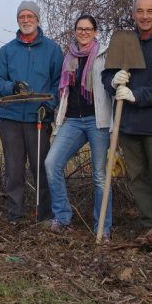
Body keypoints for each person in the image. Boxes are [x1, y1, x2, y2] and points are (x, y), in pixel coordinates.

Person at [101, 0, 152, 243]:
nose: (144, 16)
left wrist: (136, 94)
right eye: (140, 11)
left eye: (150, 12)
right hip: (127, 124)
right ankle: (150, 227)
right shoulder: (123, 41)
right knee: (137, 178)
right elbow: (107, 74)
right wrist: (112, 82)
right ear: (134, 14)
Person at [0, 1, 63, 223]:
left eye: (30, 16)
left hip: (38, 118)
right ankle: (15, 215)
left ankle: (44, 215)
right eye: (22, 16)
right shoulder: (7, 50)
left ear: (38, 19)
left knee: (41, 168)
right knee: (14, 170)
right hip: (10, 118)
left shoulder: (52, 49)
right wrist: (11, 87)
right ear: (17, 20)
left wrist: (48, 106)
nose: (26, 20)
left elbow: (59, 83)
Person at [43, 15, 113, 236]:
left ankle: (102, 227)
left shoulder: (104, 54)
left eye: (88, 29)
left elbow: (111, 84)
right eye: (80, 29)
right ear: (74, 31)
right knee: (51, 163)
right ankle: (62, 219)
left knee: (100, 175)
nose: (84, 32)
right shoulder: (69, 57)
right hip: (72, 120)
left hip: (98, 121)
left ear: (95, 32)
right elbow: (63, 91)